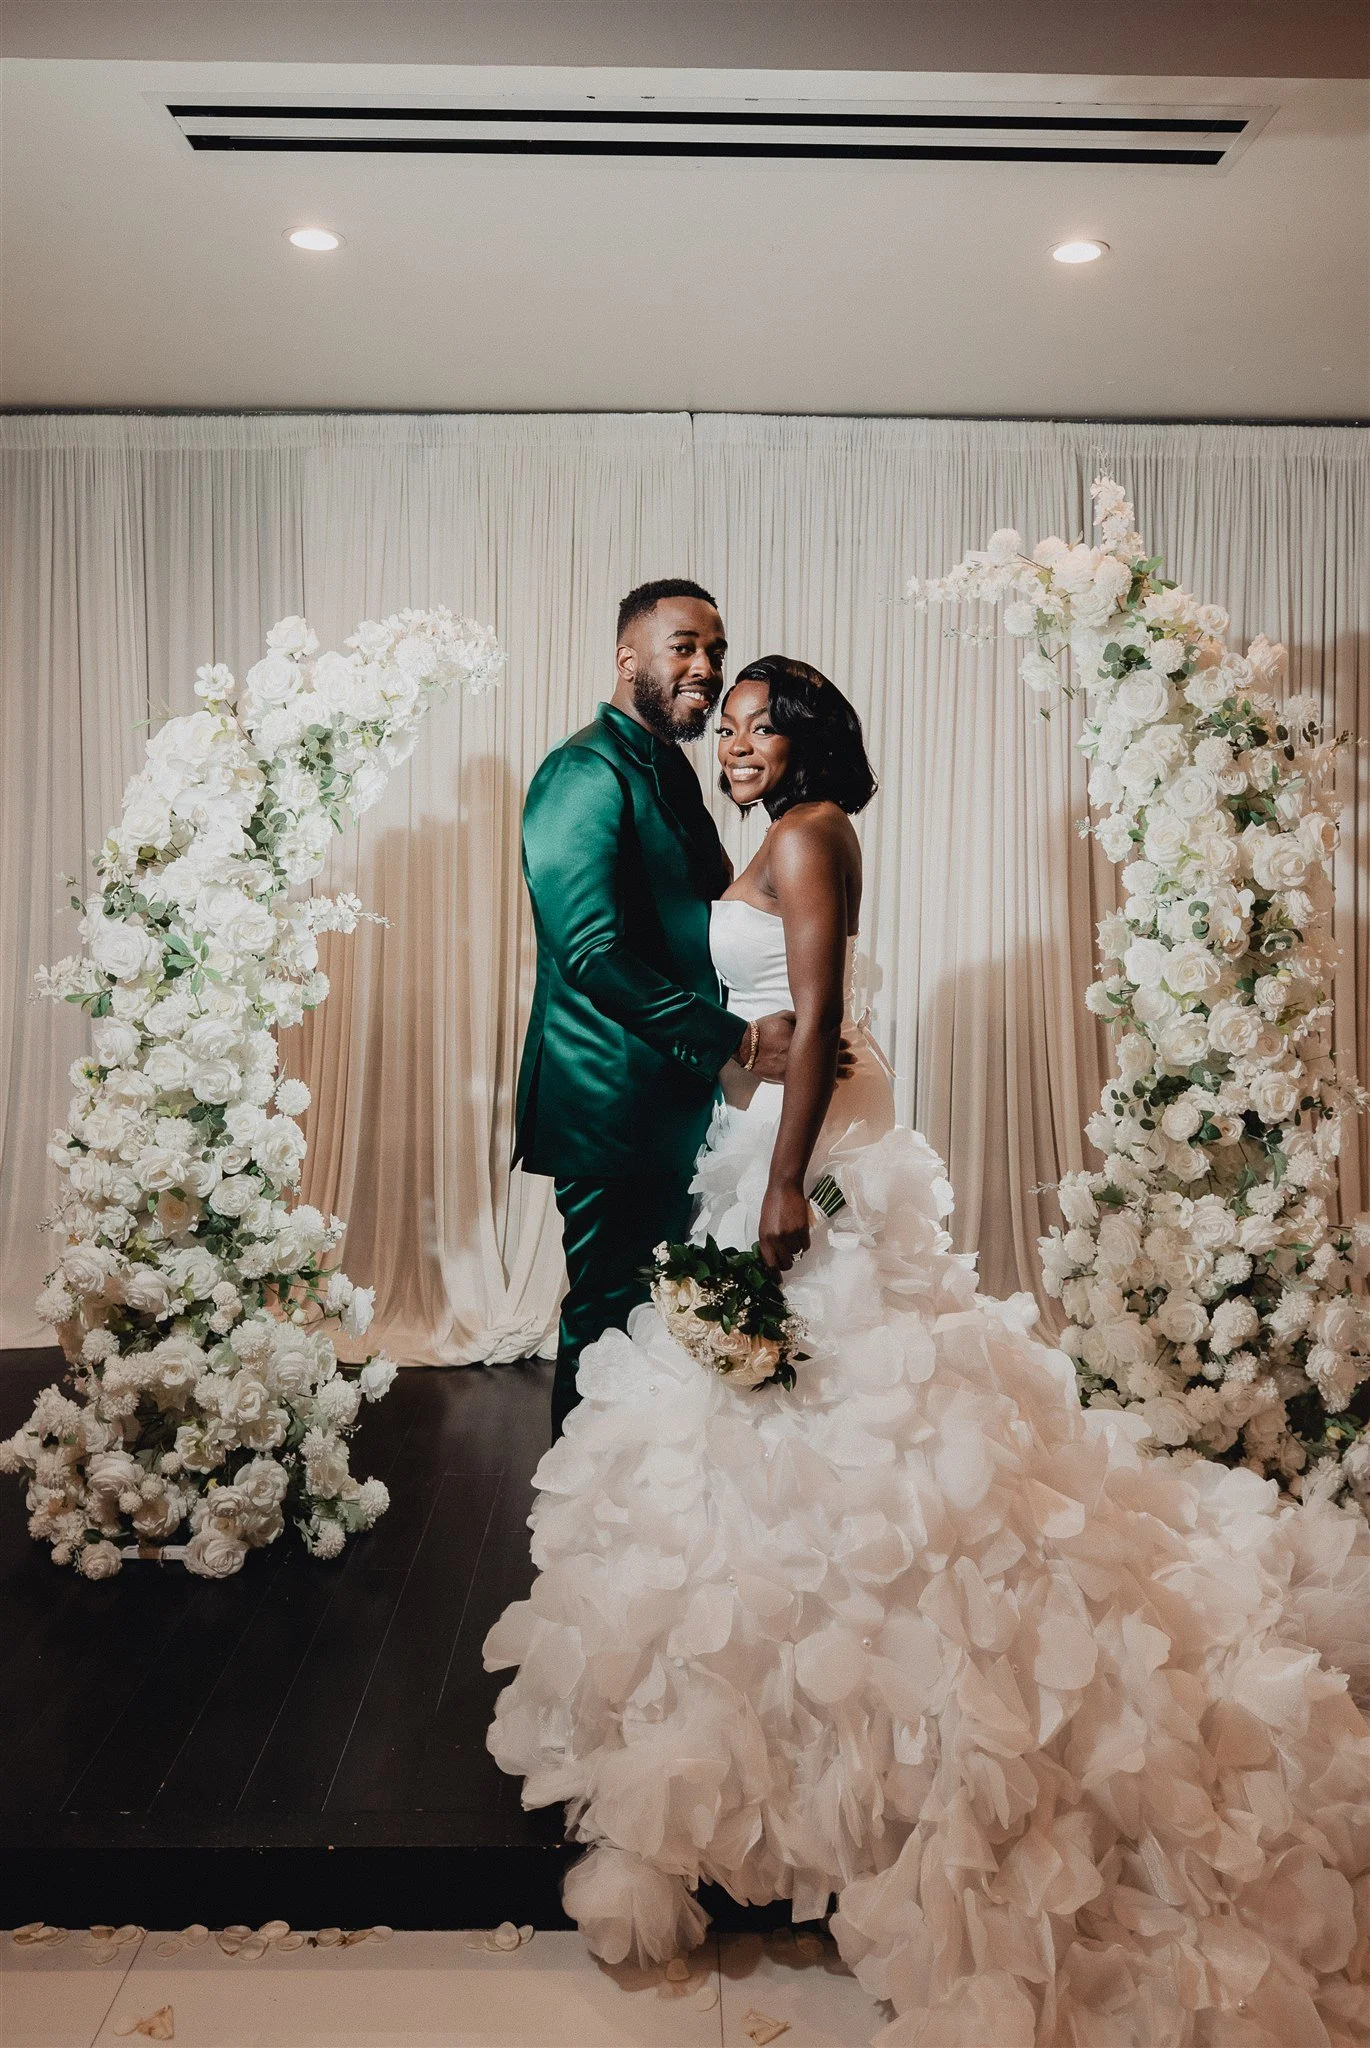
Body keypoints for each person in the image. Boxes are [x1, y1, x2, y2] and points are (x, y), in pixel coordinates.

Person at [488, 658, 1370, 2045]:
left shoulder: (812, 833)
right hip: (762, 1131)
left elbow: (824, 1010)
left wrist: (782, 1184)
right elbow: (764, 1008)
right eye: (721, 727)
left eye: (751, 723)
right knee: (756, 1408)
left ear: (806, 738)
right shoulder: (772, 836)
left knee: (848, 1398)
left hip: (811, 1149)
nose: (730, 742)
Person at [515, 581, 797, 1439]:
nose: (705, 668)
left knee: (664, 1316)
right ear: (627, 657)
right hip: (611, 1100)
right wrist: (739, 1037)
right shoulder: (581, 772)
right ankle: (568, 1525)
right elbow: (592, 952)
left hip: (677, 1094)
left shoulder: (667, 767)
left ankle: (636, 1512)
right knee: (608, 1317)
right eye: (684, 647)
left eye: (714, 649)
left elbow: (709, 909)